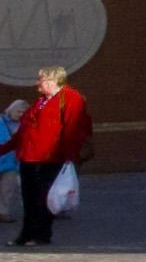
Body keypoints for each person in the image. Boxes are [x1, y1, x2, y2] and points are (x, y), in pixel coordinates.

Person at [13, 65, 94, 246]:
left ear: (52, 80)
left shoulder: (71, 98)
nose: (37, 83)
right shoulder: (41, 101)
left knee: (43, 198)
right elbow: (24, 130)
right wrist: (5, 147)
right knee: (29, 198)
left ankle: (41, 234)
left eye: (41, 79)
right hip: (29, 156)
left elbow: (73, 129)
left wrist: (68, 156)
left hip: (50, 157)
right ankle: (26, 234)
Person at [0, 99, 22, 226]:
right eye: (18, 111)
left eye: (23, 112)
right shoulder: (1, 122)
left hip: (12, 162)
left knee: (7, 189)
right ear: (11, 109)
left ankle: (3, 212)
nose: (20, 114)